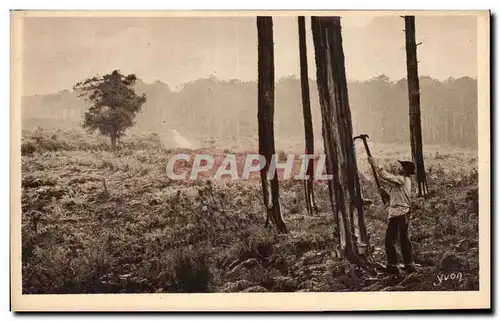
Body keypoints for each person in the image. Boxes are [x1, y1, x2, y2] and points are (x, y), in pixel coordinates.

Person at [368, 156, 416, 274]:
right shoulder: (401, 183)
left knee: (396, 239)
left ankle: (397, 265)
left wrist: (374, 164)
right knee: (397, 239)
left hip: (400, 213)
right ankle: (402, 265)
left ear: (405, 170)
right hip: (396, 213)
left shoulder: (403, 180)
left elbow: (385, 176)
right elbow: (394, 200)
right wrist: (385, 194)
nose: (399, 168)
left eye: (401, 167)